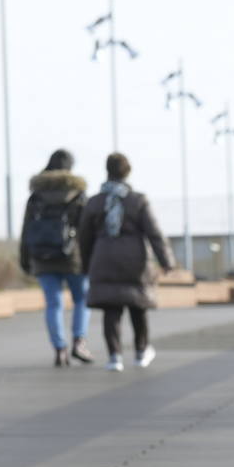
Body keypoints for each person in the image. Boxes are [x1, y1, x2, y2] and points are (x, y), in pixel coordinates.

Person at [79, 152, 175, 371]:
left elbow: (84, 238)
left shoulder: (95, 202)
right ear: (127, 172)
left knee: (111, 310)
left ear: (107, 171)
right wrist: (166, 260)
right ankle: (141, 352)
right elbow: (154, 232)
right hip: (135, 259)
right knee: (137, 307)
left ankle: (114, 357)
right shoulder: (137, 201)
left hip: (103, 257)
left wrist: (85, 265)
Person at [19, 149, 89, 367]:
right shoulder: (76, 194)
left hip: (42, 256)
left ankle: (60, 349)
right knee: (81, 299)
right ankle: (79, 341)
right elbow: (86, 229)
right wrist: (90, 257)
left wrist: (24, 258)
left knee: (53, 303)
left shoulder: (36, 195)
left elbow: (27, 229)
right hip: (73, 257)